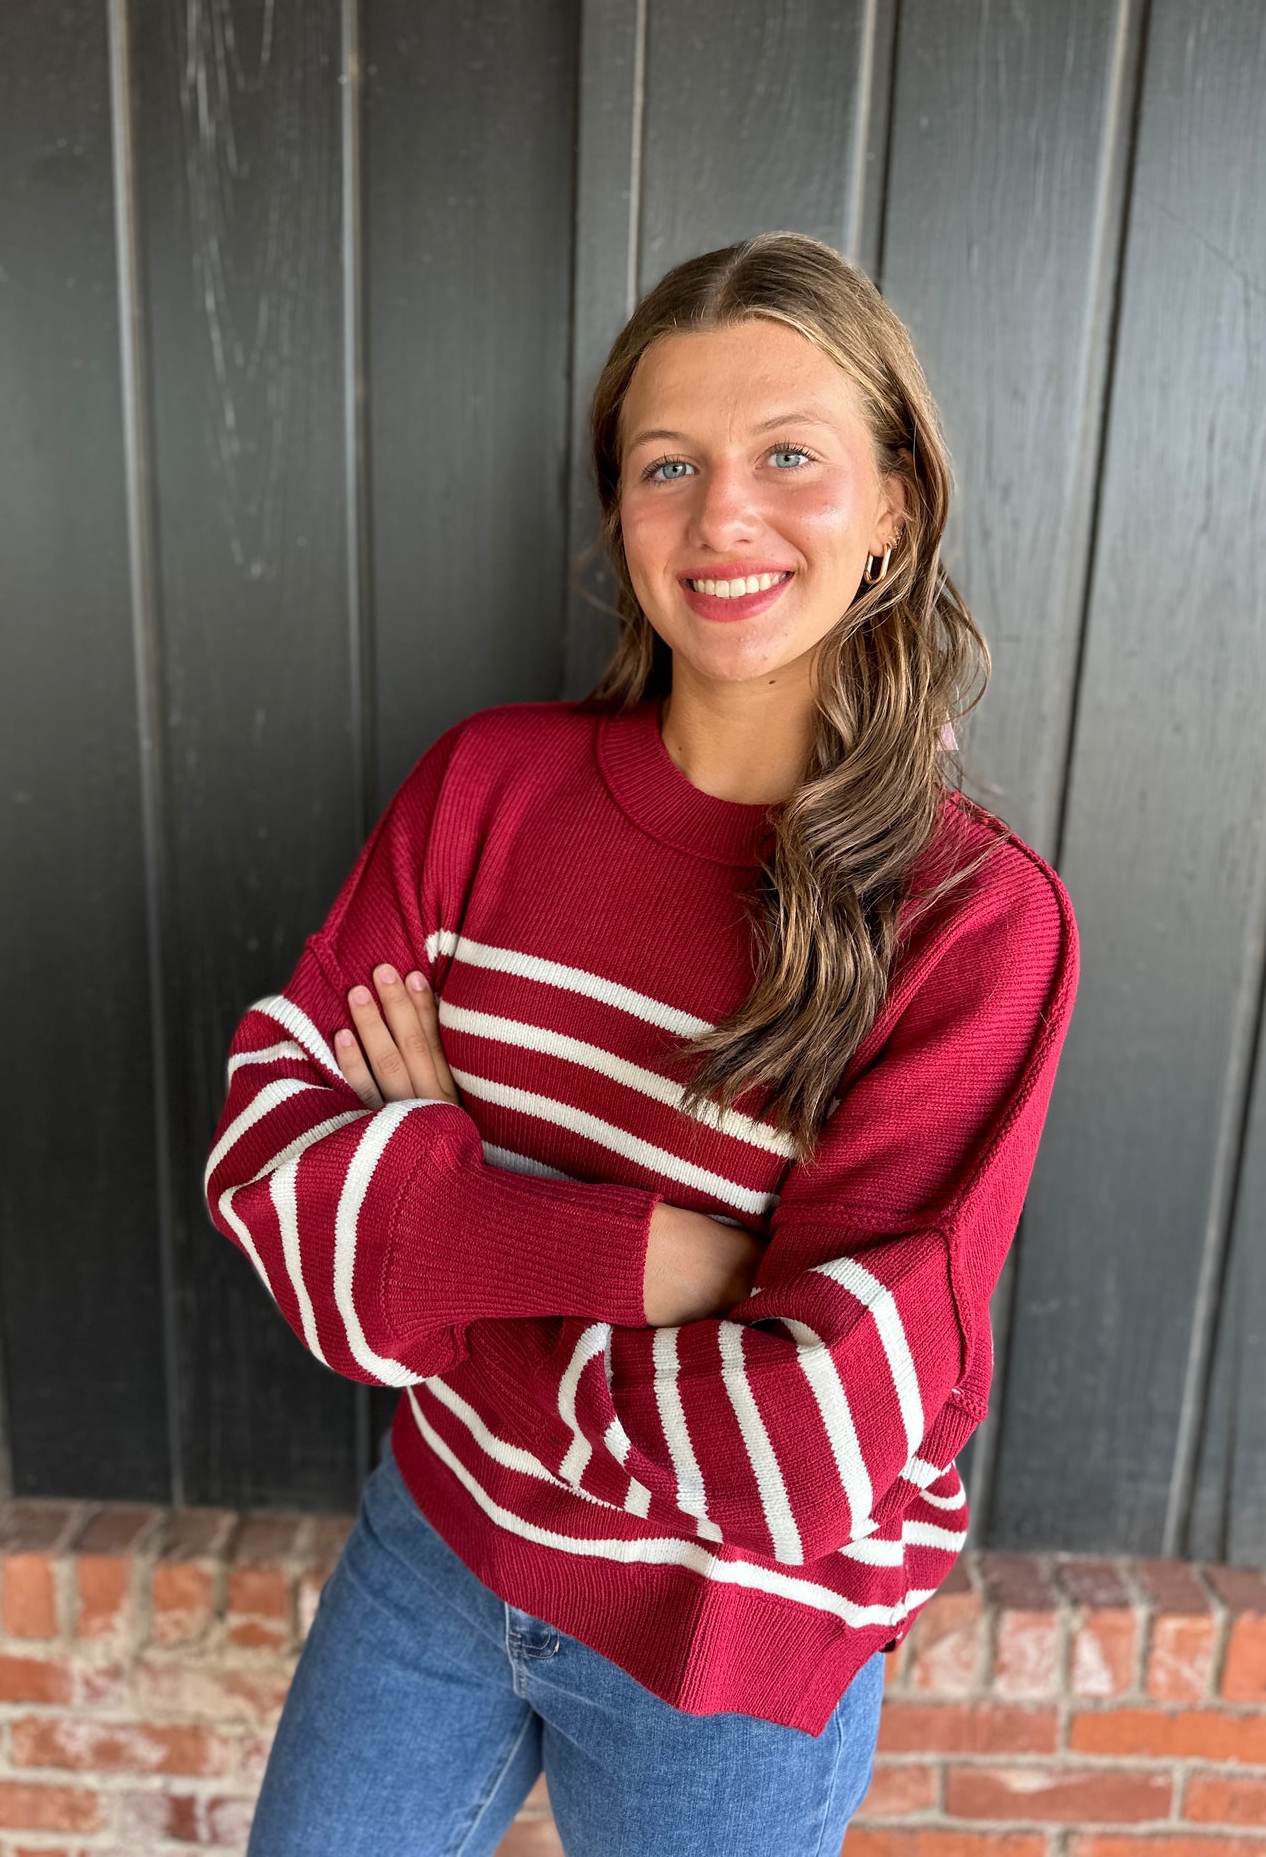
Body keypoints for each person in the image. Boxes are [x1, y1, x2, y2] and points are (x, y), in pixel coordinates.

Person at [209, 230, 1080, 1856]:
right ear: (617, 510)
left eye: (789, 458)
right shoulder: (485, 789)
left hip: (725, 1650)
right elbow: (275, 1185)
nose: (721, 517)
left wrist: (446, 1218)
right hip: (438, 1550)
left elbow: (813, 1442)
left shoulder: (972, 926)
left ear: (893, 501)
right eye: (664, 463)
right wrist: (678, 1257)